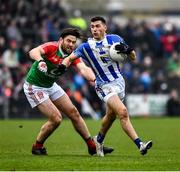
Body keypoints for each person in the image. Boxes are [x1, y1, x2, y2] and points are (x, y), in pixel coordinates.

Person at [59, 17, 153, 157]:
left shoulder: (115, 39)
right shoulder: (86, 47)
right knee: (122, 112)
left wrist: (128, 50)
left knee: (110, 116)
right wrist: (62, 65)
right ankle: (140, 144)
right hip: (103, 85)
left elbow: (133, 57)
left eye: (97, 26)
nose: (94, 29)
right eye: (92, 27)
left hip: (119, 82)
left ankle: (99, 140)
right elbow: (70, 58)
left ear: (105, 27)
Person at [23, 28, 113, 156]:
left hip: (50, 85)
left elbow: (83, 68)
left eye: (73, 42)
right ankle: (37, 147)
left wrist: (95, 80)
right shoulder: (52, 47)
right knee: (56, 118)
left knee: (74, 113)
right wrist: (41, 60)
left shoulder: (72, 55)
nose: (71, 44)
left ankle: (92, 147)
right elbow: (33, 51)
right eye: (68, 41)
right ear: (61, 40)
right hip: (35, 86)